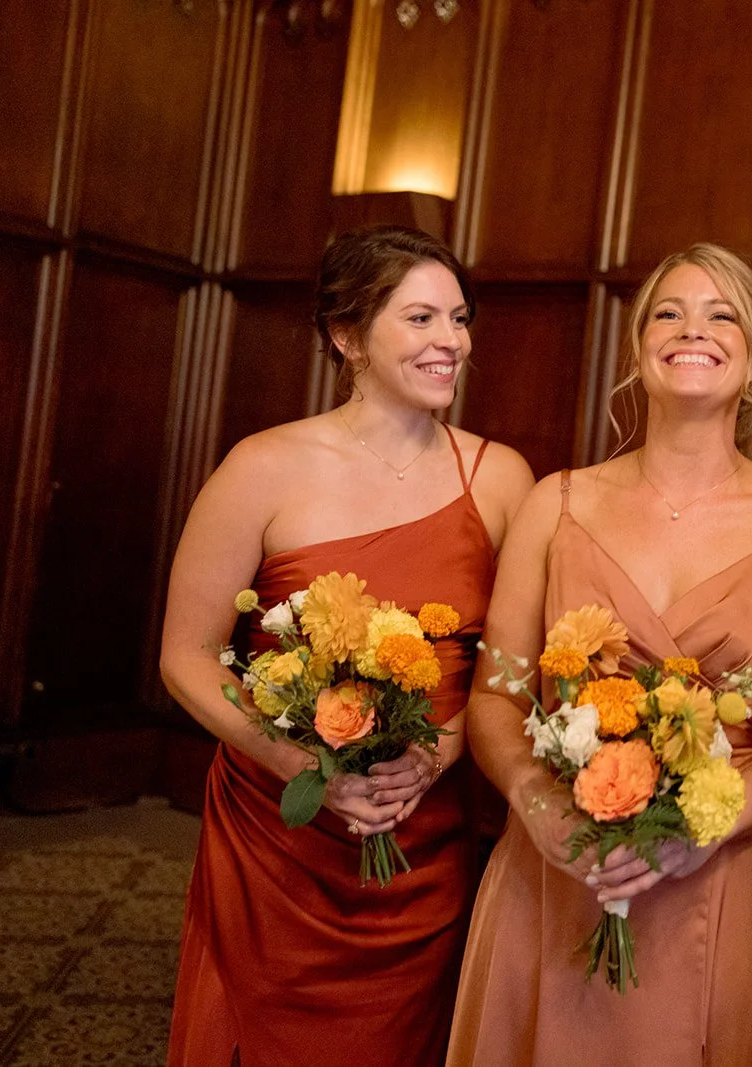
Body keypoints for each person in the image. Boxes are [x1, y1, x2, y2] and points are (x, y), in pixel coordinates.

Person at [447, 243, 752, 1066]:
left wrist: (710, 821)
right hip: (555, 866)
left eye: (721, 313)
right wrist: (533, 796)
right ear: (638, 349)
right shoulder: (558, 501)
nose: (692, 328)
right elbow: (493, 697)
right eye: (669, 311)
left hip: (717, 879)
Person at [161, 225, 534, 1067]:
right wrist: (298, 764)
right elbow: (184, 656)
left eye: (460, 318)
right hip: (277, 839)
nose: (452, 342)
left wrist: (434, 755)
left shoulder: (501, 479)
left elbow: (514, 663)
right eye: (422, 318)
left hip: (425, 831)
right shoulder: (261, 467)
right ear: (346, 335)